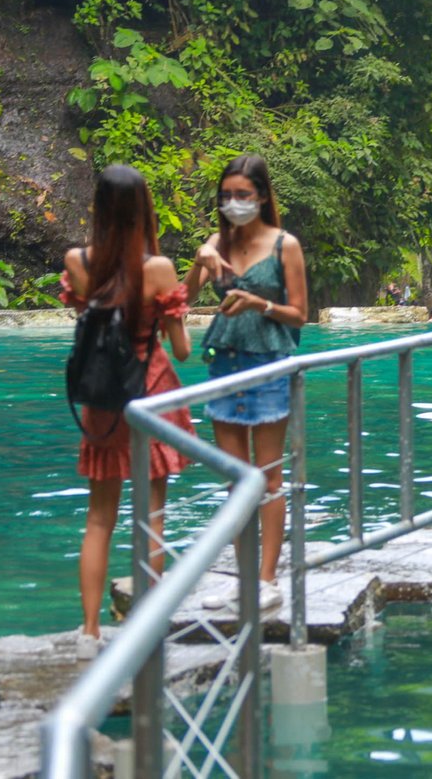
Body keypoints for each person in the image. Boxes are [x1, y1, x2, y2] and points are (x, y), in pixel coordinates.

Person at [60, 165, 194, 661]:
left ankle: (90, 630)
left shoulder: (77, 262)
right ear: (143, 209)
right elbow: (180, 351)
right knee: (152, 519)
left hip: (102, 403)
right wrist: (177, 315)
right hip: (151, 395)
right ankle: (145, 627)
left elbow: (87, 322)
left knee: (99, 519)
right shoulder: (158, 269)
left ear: (98, 207)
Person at [186, 154, 309, 612]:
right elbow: (183, 298)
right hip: (223, 360)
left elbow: (300, 314)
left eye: (243, 195)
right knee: (236, 480)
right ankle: (241, 580)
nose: (234, 203)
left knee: (268, 475)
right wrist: (201, 261)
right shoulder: (216, 241)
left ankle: (266, 579)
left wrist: (258, 303)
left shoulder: (284, 245)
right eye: (227, 196)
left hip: (268, 362)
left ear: (261, 196)